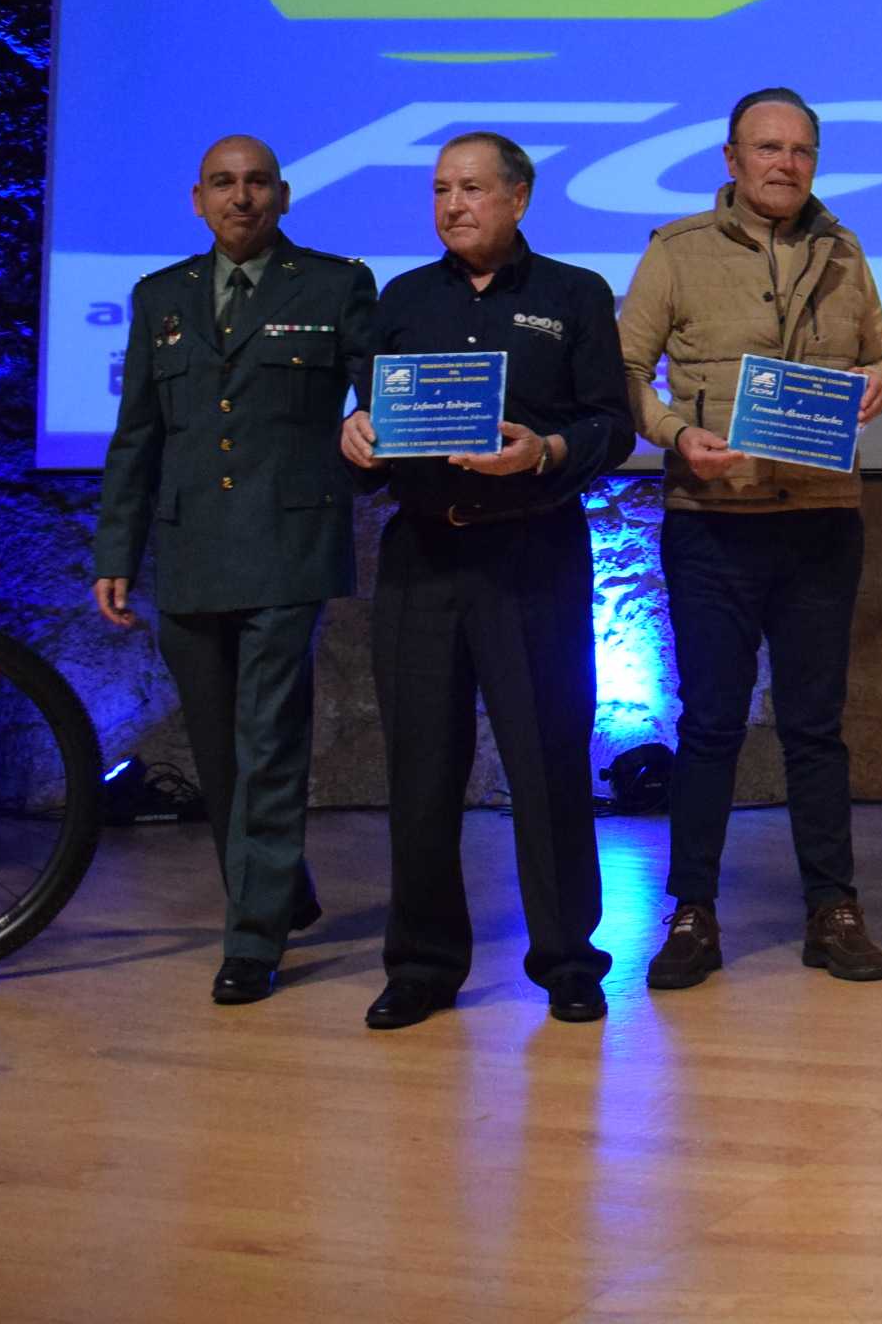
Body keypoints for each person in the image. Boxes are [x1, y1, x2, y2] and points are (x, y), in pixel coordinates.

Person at [343, 133, 636, 1029]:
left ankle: (567, 959)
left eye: (471, 189)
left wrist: (545, 451)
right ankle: (424, 963)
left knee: (548, 761)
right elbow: (374, 434)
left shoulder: (573, 295)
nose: (453, 206)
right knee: (422, 768)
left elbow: (611, 428)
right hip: (423, 556)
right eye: (440, 191)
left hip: (531, 552)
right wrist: (352, 441)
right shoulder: (401, 300)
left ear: (518, 197)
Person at [615, 87, 882, 990]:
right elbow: (623, 367)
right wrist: (669, 436)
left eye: (801, 152)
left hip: (821, 521)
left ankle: (834, 909)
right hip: (715, 526)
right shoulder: (677, 251)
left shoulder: (843, 247)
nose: (785, 165)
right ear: (731, 158)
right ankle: (694, 914)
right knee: (708, 725)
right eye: (768, 148)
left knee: (817, 727)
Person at [91, 135, 375, 1007]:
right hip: (189, 548)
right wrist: (116, 550)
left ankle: (251, 940)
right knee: (216, 752)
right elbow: (140, 432)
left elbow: (379, 392)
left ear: (283, 197)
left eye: (256, 184)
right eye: (224, 184)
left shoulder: (335, 285)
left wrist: (376, 427)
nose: (241, 198)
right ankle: (279, 889)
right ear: (198, 199)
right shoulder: (160, 296)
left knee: (269, 744)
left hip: (288, 546)